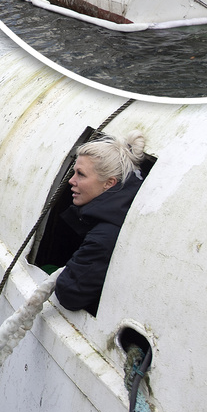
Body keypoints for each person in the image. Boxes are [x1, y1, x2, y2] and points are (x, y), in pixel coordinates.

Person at [54, 131, 148, 315]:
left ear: (109, 183)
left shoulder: (105, 235)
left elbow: (70, 294)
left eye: (81, 174)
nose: (71, 181)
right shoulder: (125, 210)